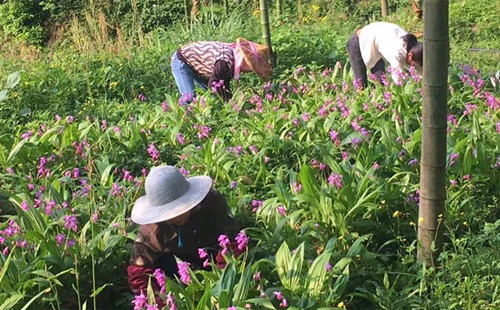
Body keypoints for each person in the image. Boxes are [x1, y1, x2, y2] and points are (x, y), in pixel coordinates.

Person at [127, 165, 242, 306]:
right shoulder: (150, 231)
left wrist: (223, 285)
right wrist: (163, 304)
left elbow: (231, 240)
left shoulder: (211, 203)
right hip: (174, 272)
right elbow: (139, 274)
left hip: (212, 257)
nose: (177, 214)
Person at [170, 37, 272, 104]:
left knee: (215, 99)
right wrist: (229, 103)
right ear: (244, 61)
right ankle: (183, 122)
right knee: (189, 97)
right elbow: (214, 84)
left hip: (200, 66)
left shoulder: (233, 57)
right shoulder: (226, 61)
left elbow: (222, 84)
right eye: (251, 67)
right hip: (182, 61)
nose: (249, 71)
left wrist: (228, 101)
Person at [346, 22, 423, 88]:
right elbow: (398, 79)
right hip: (358, 41)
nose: (413, 67)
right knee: (361, 84)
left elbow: (421, 71)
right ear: (410, 56)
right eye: (413, 64)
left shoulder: (411, 43)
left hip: (375, 44)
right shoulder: (397, 52)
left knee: (381, 83)